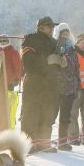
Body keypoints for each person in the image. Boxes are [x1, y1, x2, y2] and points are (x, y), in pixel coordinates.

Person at [21, 16, 60, 153]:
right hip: (34, 83)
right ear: (41, 27)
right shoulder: (30, 39)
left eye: (53, 26)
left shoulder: (55, 42)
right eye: (50, 26)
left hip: (50, 84)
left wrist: (62, 61)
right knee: (30, 113)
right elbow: (27, 62)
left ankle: (44, 143)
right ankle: (28, 144)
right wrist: (46, 60)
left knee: (48, 114)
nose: (52, 29)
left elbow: (57, 62)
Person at [52, 23, 81, 151]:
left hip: (70, 88)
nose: (65, 35)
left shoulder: (73, 50)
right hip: (56, 87)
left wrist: (78, 87)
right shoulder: (54, 46)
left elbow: (77, 70)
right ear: (58, 34)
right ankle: (44, 141)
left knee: (66, 117)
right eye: (63, 33)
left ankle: (62, 142)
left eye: (67, 33)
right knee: (51, 116)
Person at [0, 36, 23, 128]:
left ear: (8, 42)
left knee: (7, 103)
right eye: (1, 41)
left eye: (4, 41)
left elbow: (18, 66)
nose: (2, 42)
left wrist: (17, 78)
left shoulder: (13, 52)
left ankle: (6, 123)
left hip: (9, 82)